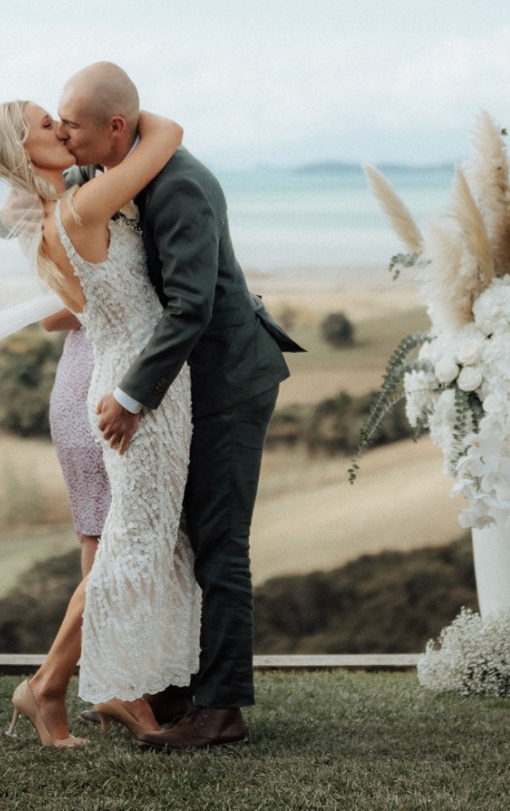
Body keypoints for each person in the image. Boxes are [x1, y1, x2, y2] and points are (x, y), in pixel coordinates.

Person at [57, 62, 302, 751]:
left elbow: (192, 307)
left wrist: (132, 397)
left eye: (72, 122)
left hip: (227, 379)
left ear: (113, 127)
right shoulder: (114, 174)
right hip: (183, 384)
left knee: (221, 547)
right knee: (181, 535)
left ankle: (220, 711)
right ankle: (177, 686)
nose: (64, 132)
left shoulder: (181, 185)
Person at [0, 100, 201, 749]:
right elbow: (167, 132)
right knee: (122, 549)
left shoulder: (68, 201)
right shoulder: (79, 206)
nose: (62, 127)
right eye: (49, 125)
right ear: (27, 154)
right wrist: (112, 112)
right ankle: (50, 686)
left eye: (63, 117)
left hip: (125, 373)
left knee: (129, 545)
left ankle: (104, 688)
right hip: (125, 385)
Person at [41, 308, 109, 578]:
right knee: (97, 524)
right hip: (81, 398)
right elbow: (49, 319)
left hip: (130, 384)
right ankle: (96, 617)